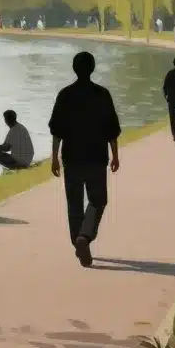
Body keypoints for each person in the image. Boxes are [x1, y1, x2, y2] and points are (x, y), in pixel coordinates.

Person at [49, 51, 122, 268]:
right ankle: (85, 236)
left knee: (74, 203)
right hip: (96, 157)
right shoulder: (102, 94)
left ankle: (78, 241)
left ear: (74, 68)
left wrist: (54, 157)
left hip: (71, 158)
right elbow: (112, 129)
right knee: (98, 200)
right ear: (92, 68)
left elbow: (57, 130)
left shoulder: (65, 95)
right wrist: (115, 154)